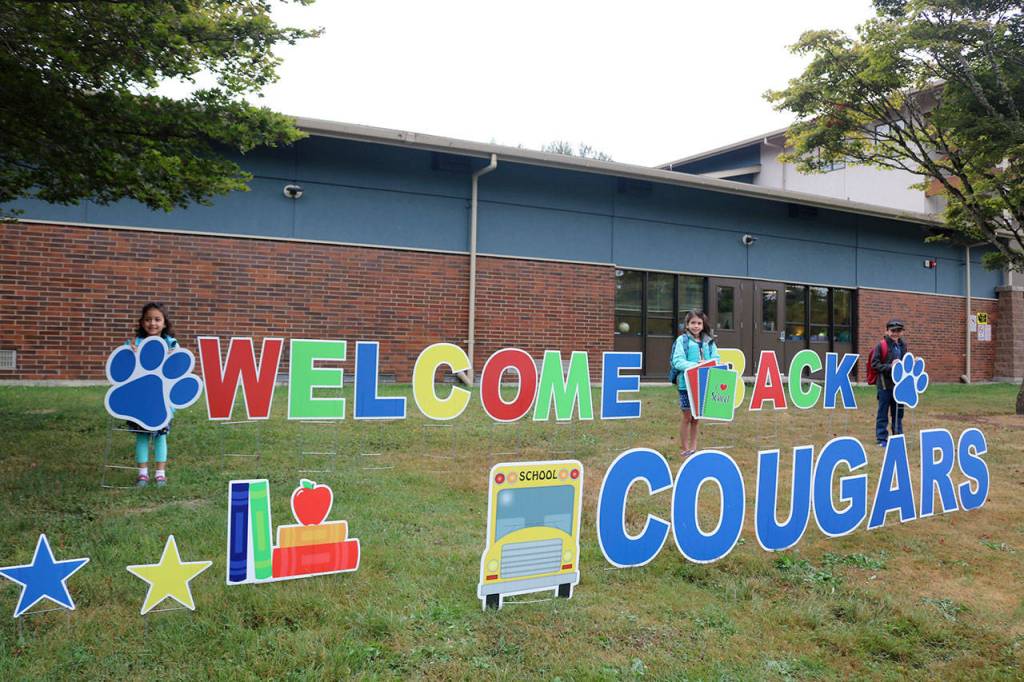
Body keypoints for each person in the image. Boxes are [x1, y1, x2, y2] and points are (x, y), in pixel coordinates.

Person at [127, 302, 180, 487]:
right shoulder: (135, 344)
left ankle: (160, 473)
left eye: (157, 319)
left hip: (162, 402)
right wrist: (130, 352)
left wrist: (173, 355)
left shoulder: (171, 344)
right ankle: (142, 473)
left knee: (160, 436)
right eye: (148, 319)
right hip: (140, 402)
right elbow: (125, 368)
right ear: (142, 323)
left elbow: (177, 368)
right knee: (141, 436)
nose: (153, 323)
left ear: (164, 323)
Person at [671, 311, 720, 458]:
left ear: (703, 324)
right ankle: (685, 448)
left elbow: (716, 359)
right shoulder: (682, 340)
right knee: (687, 416)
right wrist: (695, 366)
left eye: (699, 323)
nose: (696, 326)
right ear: (687, 325)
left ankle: (694, 447)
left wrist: (707, 364)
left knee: (696, 418)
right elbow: (677, 361)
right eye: (693, 323)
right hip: (686, 384)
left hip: (703, 384)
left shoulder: (709, 341)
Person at [871, 318, 907, 447]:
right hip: (885, 386)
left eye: (898, 331)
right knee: (883, 413)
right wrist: (890, 367)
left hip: (899, 386)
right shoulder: (881, 345)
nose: (895, 333)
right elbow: (875, 364)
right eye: (892, 330)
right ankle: (882, 439)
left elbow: (904, 365)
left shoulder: (903, 346)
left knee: (898, 413)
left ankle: (897, 438)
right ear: (886, 331)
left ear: (902, 332)